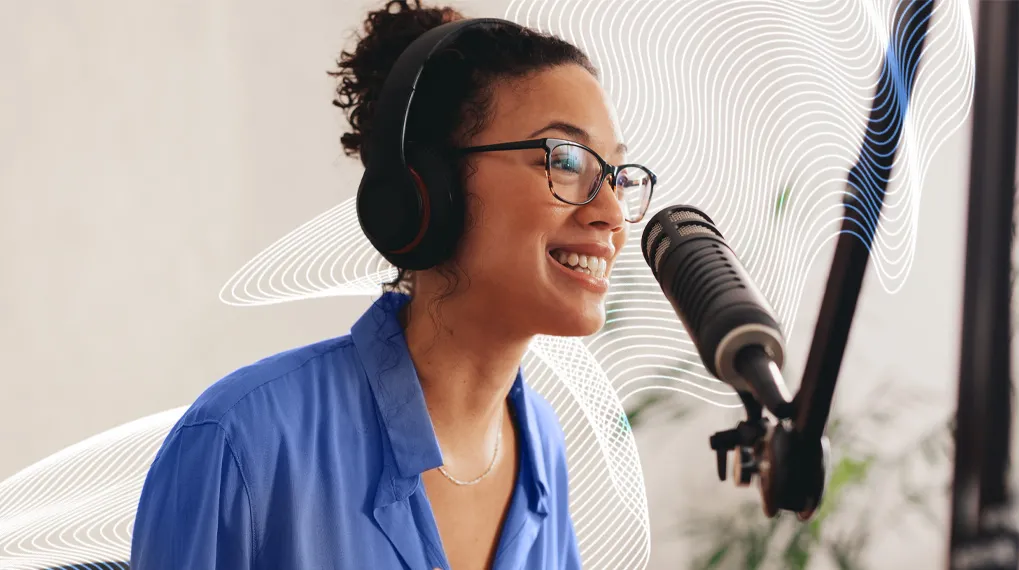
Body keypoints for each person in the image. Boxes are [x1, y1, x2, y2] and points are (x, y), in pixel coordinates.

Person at [129, 1, 657, 569]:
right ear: (428, 192)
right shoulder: (243, 442)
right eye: (567, 160)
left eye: (617, 174)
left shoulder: (539, 448)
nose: (611, 212)